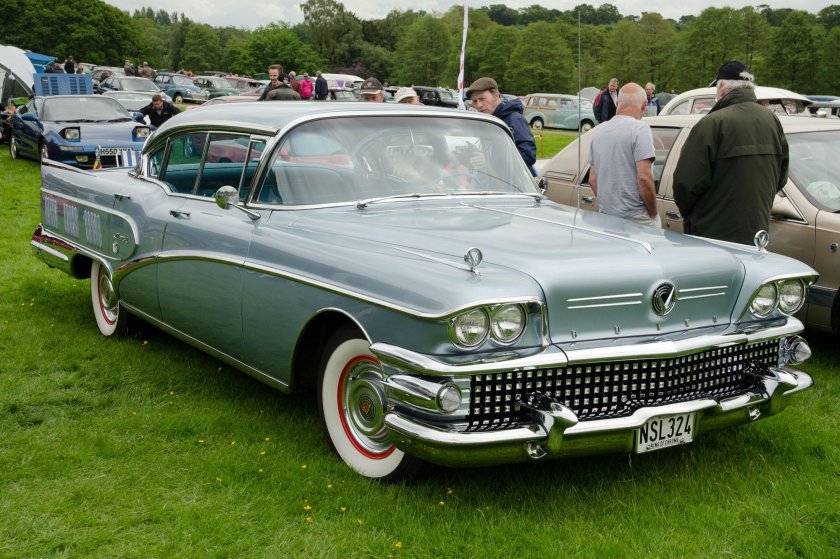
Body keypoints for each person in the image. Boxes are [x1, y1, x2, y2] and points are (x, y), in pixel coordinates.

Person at [673, 60, 788, 245]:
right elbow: (781, 177)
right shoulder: (772, 120)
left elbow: (685, 185)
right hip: (756, 233)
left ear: (721, 87)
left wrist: (695, 215)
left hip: (712, 235)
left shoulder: (711, 123)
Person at [587, 83, 659, 227]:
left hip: (606, 216)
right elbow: (644, 177)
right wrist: (653, 213)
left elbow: (593, 180)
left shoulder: (599, 131)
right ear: (644, 105)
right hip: (637, 219)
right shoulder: (640, 128)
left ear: (618, 103)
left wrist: (609, 208)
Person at [466, 77, 537, 176]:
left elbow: (528, 156)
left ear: (496, 95)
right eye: (475, 101)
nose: (479, 105)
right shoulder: (490, 120)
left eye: (482, 99)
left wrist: (488, 160)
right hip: (495, 182)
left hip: (515, 186)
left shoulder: (514, 119)